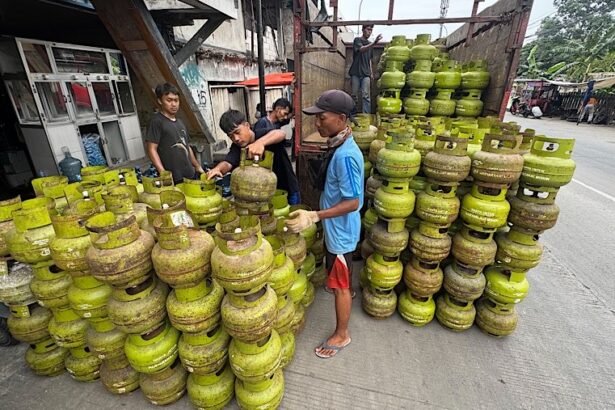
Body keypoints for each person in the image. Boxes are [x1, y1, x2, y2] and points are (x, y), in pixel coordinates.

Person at [286, 90, 364, 359]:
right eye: (316, 117)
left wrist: (315, 216)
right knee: (339, 277)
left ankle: (342, 335)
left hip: (341, 233)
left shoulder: (346, 156)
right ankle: (345, 289)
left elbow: (353, 202)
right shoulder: (339, 145)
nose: (317, 123)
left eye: (322, 118)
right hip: (337, 228)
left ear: (341, 118)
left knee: (340, 285)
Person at [206, 109, 301, 204]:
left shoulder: (262, 132)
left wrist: (259, 143)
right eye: (231, 136)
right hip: (264, 195)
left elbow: (280, 133)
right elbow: (228, 163)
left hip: (287, 189)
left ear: (247, 125)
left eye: (237, 132)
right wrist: (218, 169)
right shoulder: (237, 147)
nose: (236, 138)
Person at [145, 83, 204, 184]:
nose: (174, 104)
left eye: (176, 100)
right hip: (173, 178)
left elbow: (187, 146)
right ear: (160, 101)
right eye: (169, 100)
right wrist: (163, 173)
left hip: (189, 174)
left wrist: (197, 166)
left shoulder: (180, 123)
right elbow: (151, 149)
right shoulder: (156, 121)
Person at [348, 25, 382, 114]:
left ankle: (366, 116)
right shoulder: (357, 40)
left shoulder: (370, 44)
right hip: (356, 72)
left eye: (371, 30)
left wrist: (371, 73)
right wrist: (374, 43)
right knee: (354, 95)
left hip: (366, 74)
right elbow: (361, 49)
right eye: (368, 29)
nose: (369, 32)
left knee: (366, 96)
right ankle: (352, 114)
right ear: (363, 30)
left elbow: (369, 60)